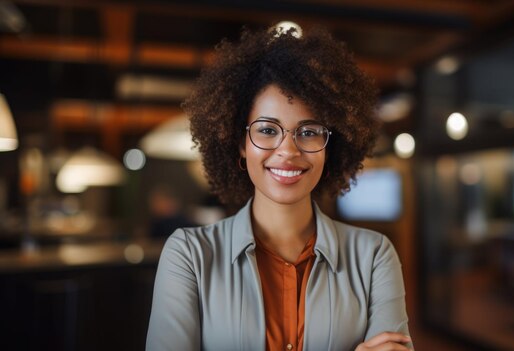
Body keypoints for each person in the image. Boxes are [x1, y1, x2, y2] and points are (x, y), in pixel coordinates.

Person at [146, 25, 412, 351]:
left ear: (332, 146)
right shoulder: (189, 255)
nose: (288, 151)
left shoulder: (373, 257)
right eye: (268, 130)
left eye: (310, 131)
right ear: (240, 143)